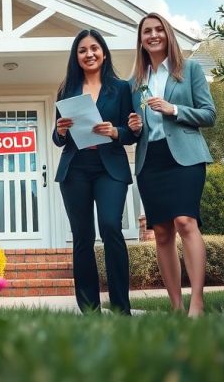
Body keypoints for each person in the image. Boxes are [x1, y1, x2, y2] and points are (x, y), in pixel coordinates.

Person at [127, 12, 216, 317]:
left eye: (158, 30)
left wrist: (173, 108)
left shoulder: (188, 70)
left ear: (167, 34)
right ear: (140, 40)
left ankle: (197, 303)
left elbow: (209, 114)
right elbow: (132, 131)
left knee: (185, 222)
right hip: (150, 159)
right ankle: (176, 306)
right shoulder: (135, 83)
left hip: (185, 157)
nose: (153, 35)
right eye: (146, 31)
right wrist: (134, 126)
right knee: (162, 233)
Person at [53, 29, 141, 315]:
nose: (89, 54)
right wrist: (60, 131)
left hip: (109, 168)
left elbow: (132, 132)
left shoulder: (122, 88)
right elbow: (58, 139)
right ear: (75, 57)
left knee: (110, 227)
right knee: (82, 236)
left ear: (103, 52)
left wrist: (116, 131)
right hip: (75, 169)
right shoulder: (66, 90)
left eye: (94, 48)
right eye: (82, 50)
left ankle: (120, 307)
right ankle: (89, 309)